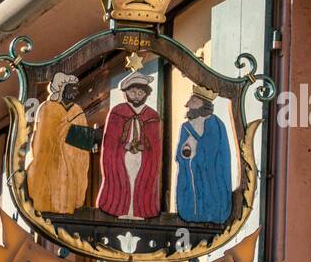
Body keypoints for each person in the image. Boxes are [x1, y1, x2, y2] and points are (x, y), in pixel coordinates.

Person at [96, 71, 162, 219]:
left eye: (140, 92)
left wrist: (146, 149)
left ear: (146, 93)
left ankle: (139, 212)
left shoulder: (152, 115)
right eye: (133, 92)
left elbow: (155, 143)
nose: (137, 95)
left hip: (142, 157)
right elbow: (111, 140)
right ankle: (121, 210)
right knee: (122, 180)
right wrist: (122, 146)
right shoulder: (118, 112)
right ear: (126, 93)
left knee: (142, 181)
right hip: (122, 156)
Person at [26, 73, 92, 214]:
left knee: (68, 190)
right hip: (51, 162)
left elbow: (82, 145)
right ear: (63, 88)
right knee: (51, 185)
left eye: (76, 88)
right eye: (73, 88)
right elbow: (42, 138)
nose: (76, 91)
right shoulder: (47, 108)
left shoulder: (78, 111)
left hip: (72, 163)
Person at [174, 86, 232, 224]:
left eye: (194, 100)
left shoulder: (215, 124)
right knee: (190, 189)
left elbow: (215, 149)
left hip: (211, 170)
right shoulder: (185, 126)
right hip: (190, 169)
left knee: (211, 190)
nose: (188, 104)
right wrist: (185, 152)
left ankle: (212, 214)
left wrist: (198, 151)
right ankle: (191, 214)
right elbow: (180, 154)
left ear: (203, 103)